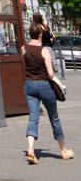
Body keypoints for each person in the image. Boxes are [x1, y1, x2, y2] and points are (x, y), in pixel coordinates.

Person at [23, 23, 73, 163]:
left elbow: (24, 65)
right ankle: (63, 150)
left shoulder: (23, 48)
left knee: (33, 117)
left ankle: (31, 149)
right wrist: (59, 83)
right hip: (43, 85)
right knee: (54, 118)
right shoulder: (44, 50)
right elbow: (50, 74)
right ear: (40, 35)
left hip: (28, 85)